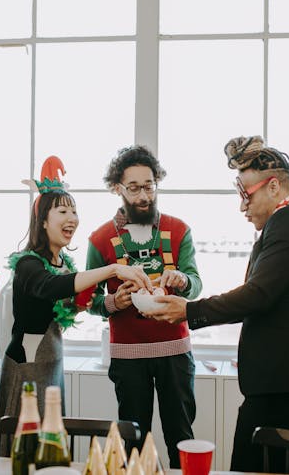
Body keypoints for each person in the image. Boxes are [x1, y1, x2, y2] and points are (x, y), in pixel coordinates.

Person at [148, 136, 289, 474]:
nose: (242, 207)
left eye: (246, 195)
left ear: (274, 187)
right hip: (284, 380)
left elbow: (258, 294)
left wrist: (188, 310)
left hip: (285, 382)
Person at [0, 156, 153, 457]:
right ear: (42, 221)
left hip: (53, 358)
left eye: (74, 211)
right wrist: (113, 269)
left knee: (50, 437)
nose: (72, 218)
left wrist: (116, 300)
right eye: (62, 211)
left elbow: (79, 302)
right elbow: (51, 287)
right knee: (26, 443)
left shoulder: (64, 264)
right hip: (28, 361)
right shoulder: (27, 264)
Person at [86, 146, 202, 468]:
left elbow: (196, 282)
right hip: (128, 356)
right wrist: (113, 301)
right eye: (133, 187)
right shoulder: (100, 240)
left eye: (149, 186)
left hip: (175, 351)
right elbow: (88, 300)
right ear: (117, 189)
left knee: (181, 436)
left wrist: (182, 279)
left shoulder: (179, 230)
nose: (143, 196)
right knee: (133, 441)